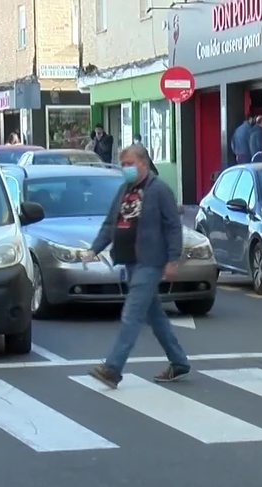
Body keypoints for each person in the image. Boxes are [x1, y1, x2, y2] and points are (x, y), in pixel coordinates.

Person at [85, 144, 191, 388]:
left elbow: (173, 226)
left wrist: (173, 259)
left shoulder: (159, 190)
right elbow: (111, 223)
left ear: (144, 163)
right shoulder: (124, 189)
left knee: (131, 314)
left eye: (130, 164)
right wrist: (94, 249)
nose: (126, 169)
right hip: (130, 262)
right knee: (155, 316)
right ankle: (179, 361)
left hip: (150, 261)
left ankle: (113, 368)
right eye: (123, 164)